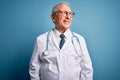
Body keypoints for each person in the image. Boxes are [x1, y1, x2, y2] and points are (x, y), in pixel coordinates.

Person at [29, 2, 93, 80]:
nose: (68, 17)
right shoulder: (41, 40)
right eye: (64, 13)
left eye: (70, 13)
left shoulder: (80, 40)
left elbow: (87, 69)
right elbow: (34, 68)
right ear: (53, 17)